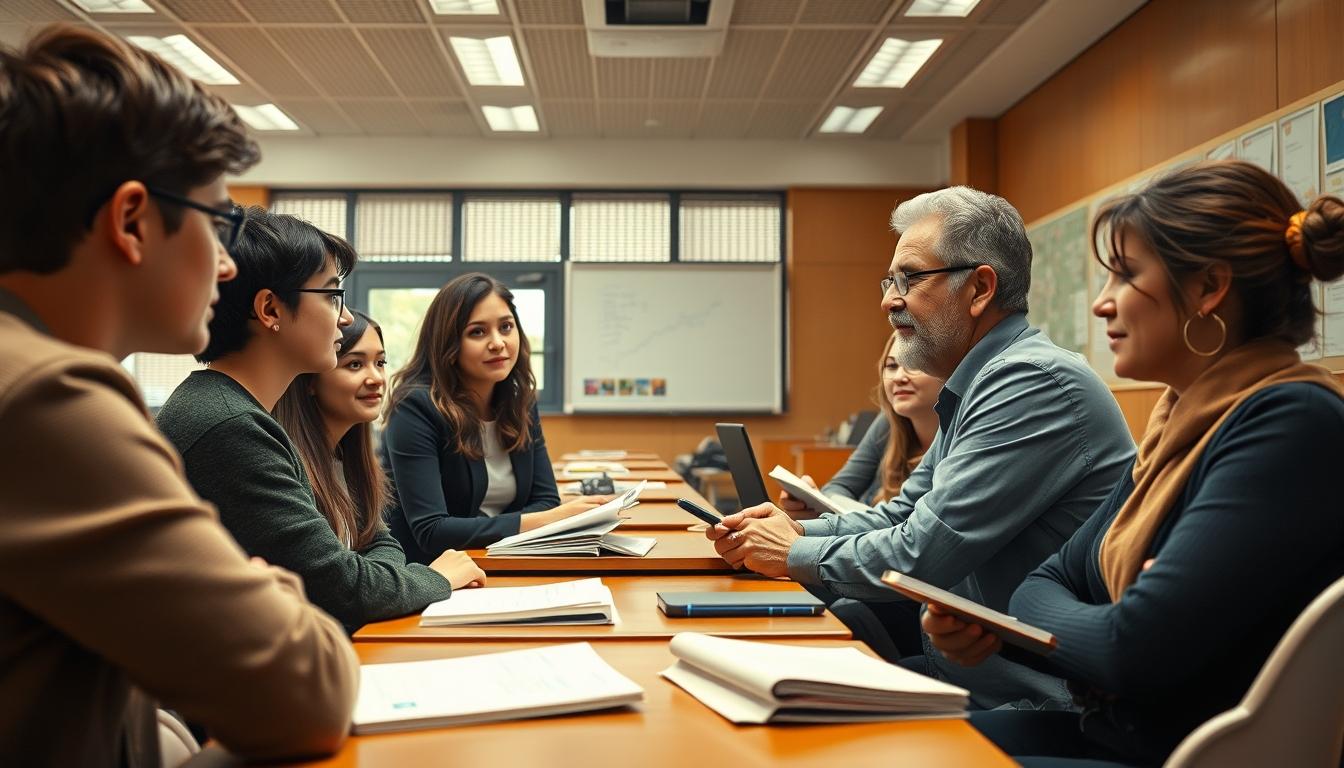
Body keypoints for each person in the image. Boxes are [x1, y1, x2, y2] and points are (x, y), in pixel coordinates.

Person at [0, 25, 357, 766]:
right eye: (220, 222)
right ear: (132, 221)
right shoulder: (51, 397)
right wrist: (275, 596)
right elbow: (308, 691)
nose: (227, 265)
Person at [923, 160, 1344, 767]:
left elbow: (1133, 652)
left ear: (1207, 289)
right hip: (1116, 732)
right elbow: (1040, 587)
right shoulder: (1181, 422)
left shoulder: (1289, 423)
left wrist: (1106, 623)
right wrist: (1059, 623)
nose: (1101, 305)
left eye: (1125, 276)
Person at [707, 186, 1136, 709]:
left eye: (909, 278)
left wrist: (792, 552)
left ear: (979, 288)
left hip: (1034, 698)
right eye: (891, 281)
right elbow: (903, 512)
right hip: (974, 676)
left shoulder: (1030, 380)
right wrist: (794, 528)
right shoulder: (978, 381)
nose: (889, 299)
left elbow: (920, 551)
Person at [157, 209, 483, 634]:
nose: (345, 317)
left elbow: (363, 555)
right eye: (332, 296)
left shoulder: (237, 410)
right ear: (270, 308)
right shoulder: (229, 426)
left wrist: (368, 573)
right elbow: (344, 590)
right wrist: (437, 579)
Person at [382, 272, 609, 563]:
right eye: (477, 332)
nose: (498, 343)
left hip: (504, 560)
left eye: (506, 327)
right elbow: (432, 530)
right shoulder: (415, 407)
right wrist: (543, 521)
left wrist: (545, 517)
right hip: (433, 575)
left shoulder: (520, 401)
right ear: (448, 344)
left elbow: (546, 500)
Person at [779, 330, 940, 514]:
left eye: (913, 364)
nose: (898, 377)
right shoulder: (888, 422)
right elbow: (836, 489)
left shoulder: (963, 430)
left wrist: (862, 521)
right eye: (891, 366)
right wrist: (813, 502)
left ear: (946, 372)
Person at [274, 309, 391, 553]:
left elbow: (383, 544)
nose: (376, 378)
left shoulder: (347, 463)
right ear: (311, 382)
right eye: (355, 364)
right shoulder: (286, 465)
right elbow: (341, 577)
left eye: (380, 363)